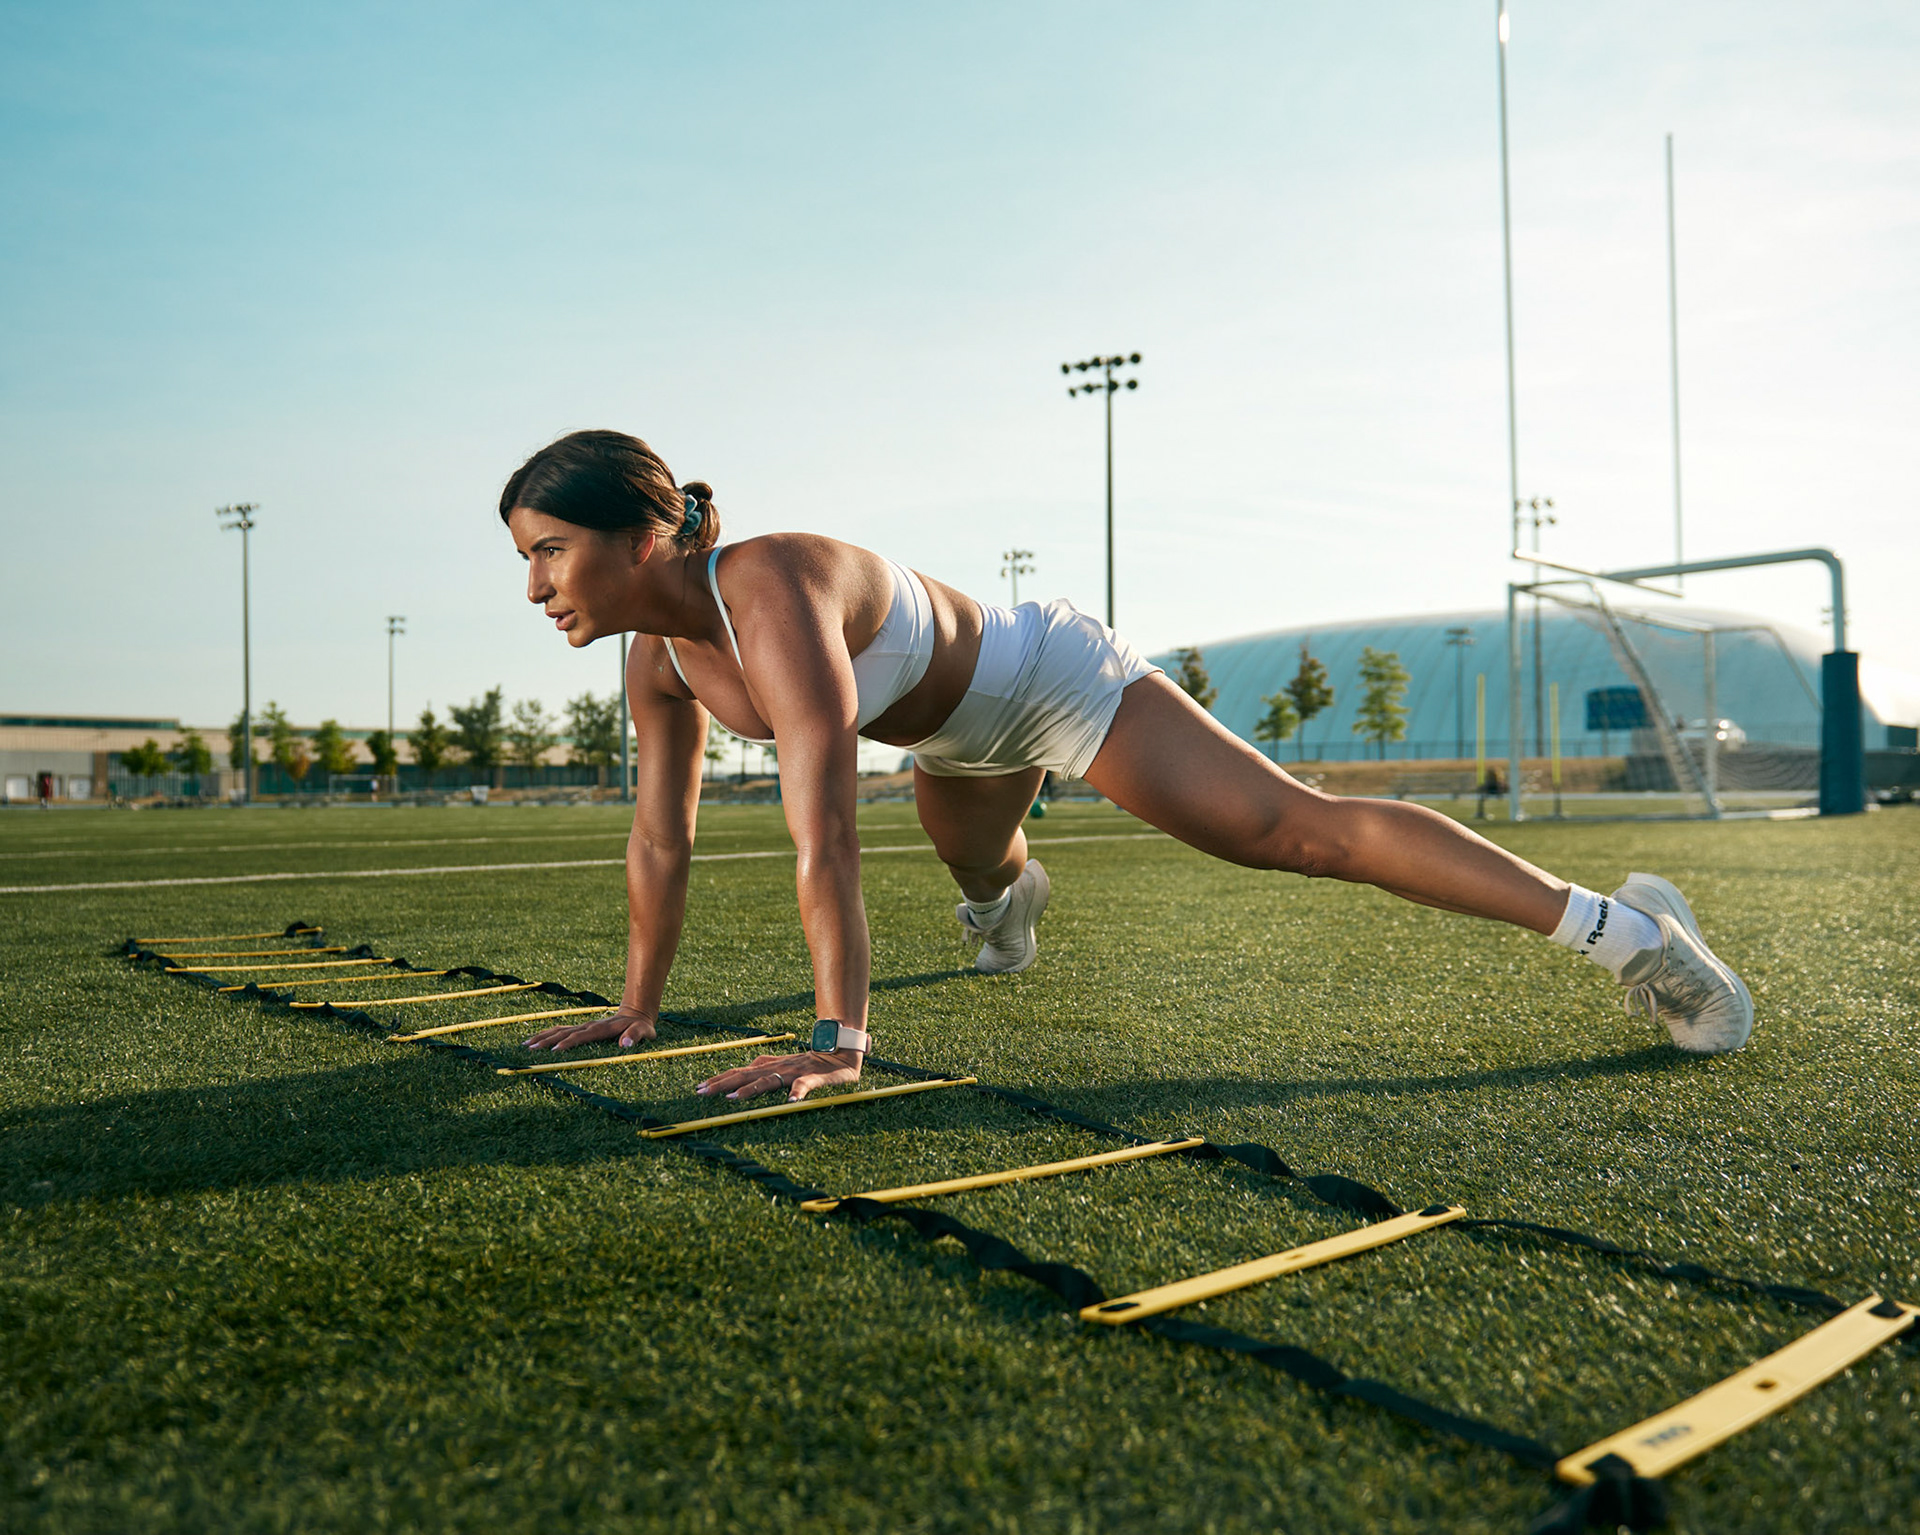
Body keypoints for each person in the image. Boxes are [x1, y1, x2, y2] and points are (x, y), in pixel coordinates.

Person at [507, 430, 1752, 1102]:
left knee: (1288, 829)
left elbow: (824, 833)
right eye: (526, 557)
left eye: (554, 550)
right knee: (981, 864)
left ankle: (1634, 937)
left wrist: (840, 1033)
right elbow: (659, 840)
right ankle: (1008, 901)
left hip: (1045, 682)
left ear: (645, 530)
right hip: (949, 739)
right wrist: (638, 1004)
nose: (536, 585)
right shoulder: (659, 661)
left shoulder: (768, 584)